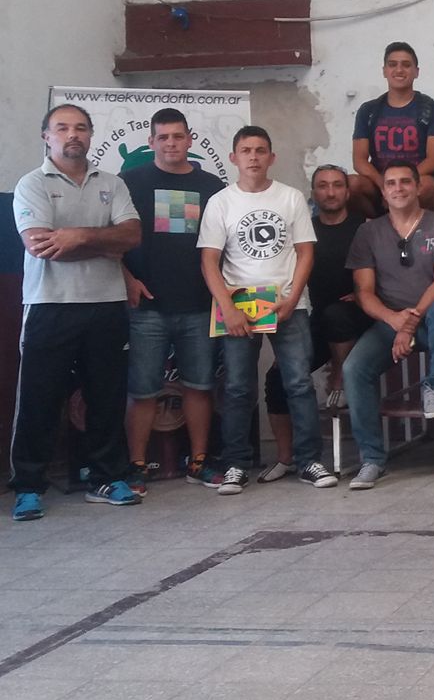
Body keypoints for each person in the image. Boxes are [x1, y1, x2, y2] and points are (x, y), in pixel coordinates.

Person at [10, 104, 142, 520]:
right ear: (46, 136)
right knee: (39, 398)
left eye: (81, 128)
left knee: (106, 397)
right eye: (63, 128)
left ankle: (107, 478)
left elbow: (132, 236)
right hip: (49, 305)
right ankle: (28, 486)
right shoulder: (31, 184)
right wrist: (105, 244)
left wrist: (78, 236)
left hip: (106, 305)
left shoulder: (112, 183)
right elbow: (41, 246)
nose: (73, 135)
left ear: (90, 135)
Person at [198, 126, 338, 495]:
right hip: (239, 305)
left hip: (287, 304)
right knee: (237, 387)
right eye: (246, 150)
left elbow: (306, 252)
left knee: (298, 384)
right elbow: (209, 261)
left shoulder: (290, 198)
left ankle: (309, 461)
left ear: (271, 157)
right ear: (234, 158)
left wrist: (292, 299)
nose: (254, 157)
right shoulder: (220, 202)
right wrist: (227, 308)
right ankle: (235, 465)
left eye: (261, 150)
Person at [119, 108, 225, 494]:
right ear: (150, 142)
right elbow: (112, 240)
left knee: (199, 386)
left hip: (199, 305)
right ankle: (136, 466)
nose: (170, 143)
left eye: (178, 136)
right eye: (162, 137)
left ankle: (199, 462)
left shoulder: (212, 186)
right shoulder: (129, 182)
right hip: (147, 307)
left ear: (190, 139)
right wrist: (127, 279)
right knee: (143, 390)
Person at [342, 162, 434, 489]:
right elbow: (364, 292)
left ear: (418, 186)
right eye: (391, 183)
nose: (398, 188)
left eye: (405, 182)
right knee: (354, 369)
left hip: (433, 321)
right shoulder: (368, 233)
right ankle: (371, 459)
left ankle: (433, 387)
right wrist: (394, 320)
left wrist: (409, 323)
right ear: (383, 192)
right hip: (390, 322)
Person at [260, 164, 369, 482]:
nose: (330, 192)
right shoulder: (303, 230)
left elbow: (385, 269)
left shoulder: (364, 227)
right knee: (276, 377)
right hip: (317, 320)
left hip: (360, 317)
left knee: (337, 314)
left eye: (337, 185)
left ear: (347, 192)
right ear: (313, 193)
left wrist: (364, 291)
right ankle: (285, 458)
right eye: (323, 186)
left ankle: (339, 379)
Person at [350, 41, 434, 217]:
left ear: (416, 71)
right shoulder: (368, 110)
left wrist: (402, 183)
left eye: (406, 65)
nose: (399, 70)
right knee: (351, 184)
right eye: (392, 64)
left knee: (427, 186)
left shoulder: (432, 108)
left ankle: (420, 228)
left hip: (417, 179)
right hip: (380, 182)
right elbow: (359, 160)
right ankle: (376, 227)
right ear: (384, 71)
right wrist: (384, 183)